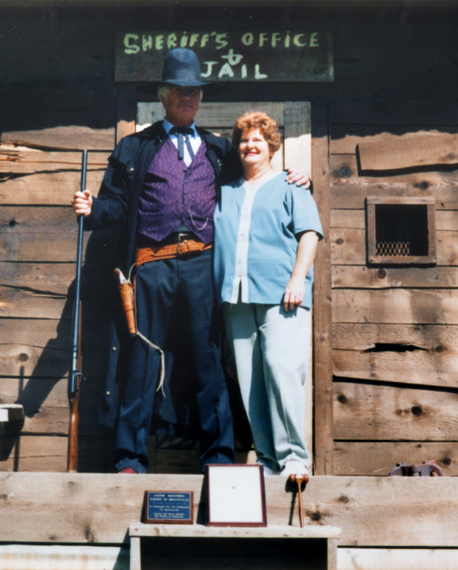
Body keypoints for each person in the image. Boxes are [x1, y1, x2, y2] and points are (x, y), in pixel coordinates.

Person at [72, 50, 308, 474]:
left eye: (194, 92)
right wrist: (92, 208)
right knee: (142, 360)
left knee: (209, 360)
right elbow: (115, 206)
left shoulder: (219, 150)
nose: (187, 99)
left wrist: (295, 176)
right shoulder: (135, 147)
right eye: (180, 91)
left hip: (203, 265)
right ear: (164, 96)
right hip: (150, 267)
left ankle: (217, 458)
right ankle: (130, 459)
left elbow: (260, 169)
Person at [213, 111, 323, 478]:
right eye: (244, 140)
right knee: (250, 379)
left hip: (283, 296)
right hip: (237, 299)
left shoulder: (292, 186)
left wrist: (297, 279)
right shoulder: (225, 192)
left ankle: (294, 457)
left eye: (258, 139)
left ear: (271, 146)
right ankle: (267, 460)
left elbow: (309, 234)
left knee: (281, 367)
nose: (250, 145)